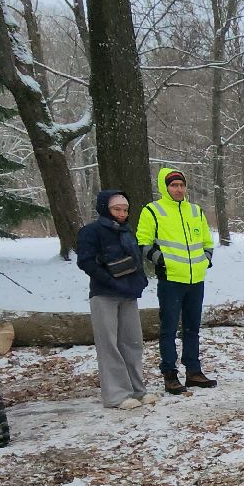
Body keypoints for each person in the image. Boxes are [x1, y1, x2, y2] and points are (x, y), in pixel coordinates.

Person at [75, 189, 157, 409]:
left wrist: (139, 281)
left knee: (132, 342)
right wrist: (110, 280)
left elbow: (135, 260)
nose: (121, 213)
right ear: (105, 208)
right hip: (104, 294)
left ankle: (138, 390)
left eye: (124, 209)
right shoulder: (91, 231)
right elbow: (86, 261)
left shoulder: (126, 231)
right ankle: (116, 395)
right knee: (109, 344)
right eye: (116, 209)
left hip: (128, 293)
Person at [136, 167, 216, 394]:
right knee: (169, 329)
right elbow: (143, 242)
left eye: (181, 185)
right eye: (173, 185)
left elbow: (207, 241)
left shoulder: (195, 211)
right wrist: (161, 261)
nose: (178, 189)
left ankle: (193, 371)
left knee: (192, 328)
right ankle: (169, 374)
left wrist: (205, 260)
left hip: (196, 279)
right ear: (165, 187)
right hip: (171, 279)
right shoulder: (153, 211)